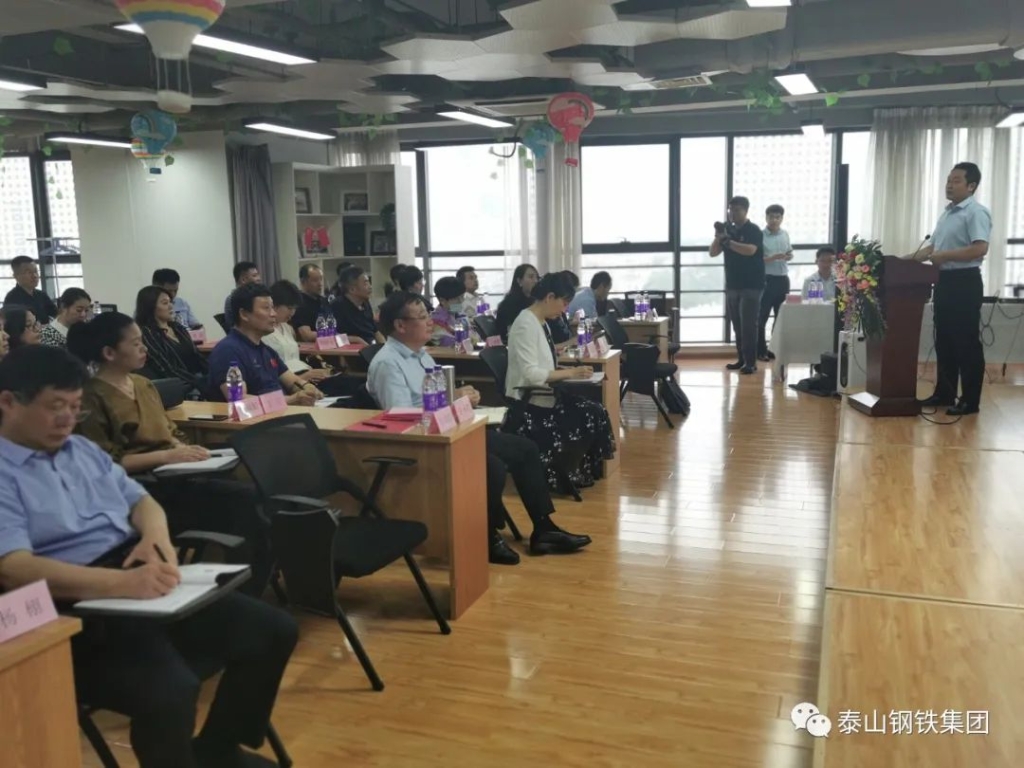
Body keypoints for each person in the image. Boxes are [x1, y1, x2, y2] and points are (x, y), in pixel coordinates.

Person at [0, 344, 297, 768]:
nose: (67, 418)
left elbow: (142, 502)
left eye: (76, 407)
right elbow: (14, 570)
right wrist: (123, 583)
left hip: (135, 576)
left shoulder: (80, 450)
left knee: (271, 630)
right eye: (55, 407)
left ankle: (217, 750)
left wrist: (156, 540)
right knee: (171, 691)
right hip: (73, 608)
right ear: (8, 402)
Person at [367, 291, 591, 564]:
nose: (430, 322)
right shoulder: (388, 363)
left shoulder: (421, 355)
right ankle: (485, 535)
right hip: (427, 444)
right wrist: (453, 399)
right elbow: (399, 416)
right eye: (422, 317)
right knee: (491, 466)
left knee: (524, 449)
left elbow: (437, 397)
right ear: (400, 325)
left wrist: (461, 395)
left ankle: (544, 528)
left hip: (451, 430)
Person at [68, 312, 272, 594]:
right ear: (109, 353)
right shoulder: (91, 397)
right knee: (243, 501)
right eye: (135, 343)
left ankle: (249, 580)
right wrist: (167, 456)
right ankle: (240, 586)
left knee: (255, 490)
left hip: (179, 472)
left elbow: (170, 430)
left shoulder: (143, 384)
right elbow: (106, 464)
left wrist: (181, 447)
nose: (144, 348)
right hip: (145, 486)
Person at [505, 272, 616, 490]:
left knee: (596, 409)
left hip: (545, 393)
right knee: (587, 413)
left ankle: (578, 471)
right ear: (550, 297)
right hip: (530, 401)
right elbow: (530, 374)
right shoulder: (525, 324)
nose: (565, 309)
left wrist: (568, 371)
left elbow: (545, 365)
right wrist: (570, 374)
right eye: (564, 303)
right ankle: (564, 474)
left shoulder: (540, 322)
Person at [912, 162, 992, 416]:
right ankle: (944, 393)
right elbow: (931, 250)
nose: (949, 184)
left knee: (965, 343)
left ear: (971, 186)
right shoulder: (946, 214)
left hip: (964, 282)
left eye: (956, 180)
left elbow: (980, 248)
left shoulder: (976, 212)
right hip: (944, 282)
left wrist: (944, 256)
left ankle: (970, 401)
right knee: (944, 340)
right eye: (948, 180)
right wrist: (901, 261)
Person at [207, 284, 322, 405]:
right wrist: (291, 400)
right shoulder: (228, 351)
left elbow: (292, 381)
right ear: (244, 314)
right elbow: (239, 399)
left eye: (273, 308)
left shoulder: (267, 351)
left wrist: (307, 388)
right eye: (266, 308)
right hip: (257, 416)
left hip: (282, 411)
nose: (273, 314)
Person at [710, 196, 765, 374]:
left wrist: (728, 242)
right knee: (737, 325)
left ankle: (751, 363)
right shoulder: (728, 230)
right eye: (730, 210)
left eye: (736, 210)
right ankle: (741, 359)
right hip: (732, 284)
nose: (732, 213)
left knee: (748, 325)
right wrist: (719, 237)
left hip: (752, 284)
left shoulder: (753, 230)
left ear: (745, 211)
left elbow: (750, 250)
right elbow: (713, 252)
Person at [135, 285, 208, 392]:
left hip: (197, 380)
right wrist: (200, 383)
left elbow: (196, 355)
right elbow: (167, 368)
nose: (170, 306)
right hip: (178, 386)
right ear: (150, 307)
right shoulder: (146, 333)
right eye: (165, 303)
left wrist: (214, 374)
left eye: (171, 302)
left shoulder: (177, 327)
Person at [758, 204, 793, 362]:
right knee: (762, 316)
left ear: (782, 218)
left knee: (780, 317)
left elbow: (789, 252)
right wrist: (772, 258)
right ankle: (761, 350)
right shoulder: (760, 235)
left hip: (783, 279)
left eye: (777, 217)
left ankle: (774, 349)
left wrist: (788, 256)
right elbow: (756, 259)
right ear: (766, 218)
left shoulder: (785, 234)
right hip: (766, 279)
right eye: (771, 217)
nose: (774, 220)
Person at [330, 266, 385, 346]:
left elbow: (375, 331)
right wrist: (356, 340)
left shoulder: (365, 303)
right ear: (352, 289)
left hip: (370, 347)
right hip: (351, 350)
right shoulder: (337, 306)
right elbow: (331, 337)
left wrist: (385, 347)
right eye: (365, 283)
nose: (370, 287)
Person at [3, 255, 57, 323]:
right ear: (16, 276)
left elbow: (55, 314)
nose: (34, 276)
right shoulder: (11, 299)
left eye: (36, 271)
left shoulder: (41, 295)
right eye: (28, 272)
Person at [429, 276, 479, 347]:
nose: (461, 301)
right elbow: (454, 343)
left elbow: (472, 334)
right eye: (456, 299)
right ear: (442, 300)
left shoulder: (457, 311)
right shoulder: (436, 322)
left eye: (462, 296)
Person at [495, 264, 539, 342]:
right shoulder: (508, 305)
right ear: (519, 281)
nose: (535, 281)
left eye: (537, 278)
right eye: (531, 277)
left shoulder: (536, 302)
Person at [290, 264, 330, 343]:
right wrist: (332, 333)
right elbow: (307, 336)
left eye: (321, 279)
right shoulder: (299, 303)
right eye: (315, 280)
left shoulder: (324, 301)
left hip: (330, 343)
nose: (320, 284)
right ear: (303, 282)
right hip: (312, 347)